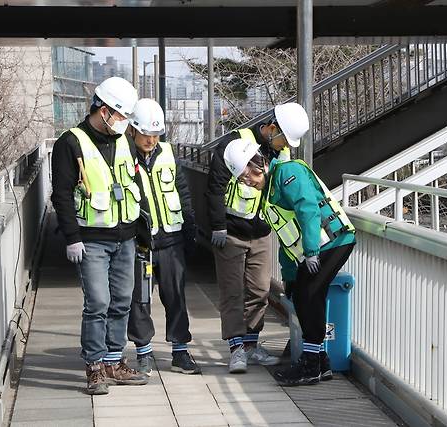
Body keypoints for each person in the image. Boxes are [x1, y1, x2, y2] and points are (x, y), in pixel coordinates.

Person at [222, 138, 356, 386]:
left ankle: (311, 364)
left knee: (308, 298)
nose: (247, 183)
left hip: (333, 241)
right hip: (315, 249)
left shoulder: (288, 172)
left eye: (246, 176)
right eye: (242, 179)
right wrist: (290, 274)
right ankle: (319, 361)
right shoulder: (269, 191)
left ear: (258, 165)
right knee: (304, 298)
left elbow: (308, 209)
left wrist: (313, 250)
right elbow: (286, 239)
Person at [51, 76, 148, 395]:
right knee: (98, 302)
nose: (124, 123)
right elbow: (61, 194)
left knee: (121, 301)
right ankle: (94, 367)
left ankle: (113, 361)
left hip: (125, 237)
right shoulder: (71, 142)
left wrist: (144, 234)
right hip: (91, 239)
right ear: (104, 110)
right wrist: (71, 237)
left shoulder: (125, 141)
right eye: (120, 116)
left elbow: (136, 186)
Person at [205, 103, 310, 373]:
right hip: (230, 231)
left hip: (261, 231)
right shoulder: (236, 143)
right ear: (272, 128)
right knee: (232, 292)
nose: (285, 145)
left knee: (260, 290)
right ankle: (236, 349)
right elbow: (215, 186)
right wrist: (217, 226)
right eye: (283, 138)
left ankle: (251, 345)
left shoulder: (281, 153)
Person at [126, 98, 200, 376]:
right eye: (146, 134)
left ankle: (180, 351)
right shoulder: (123, 155)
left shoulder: (168, 153)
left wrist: (190, 230)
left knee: (176, 296)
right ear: (133, 130)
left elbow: (183, 193)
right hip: (139, 242)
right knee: (140, 298)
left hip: (171, 240)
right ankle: (143, 353)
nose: (151, 140)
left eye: (156, 135)